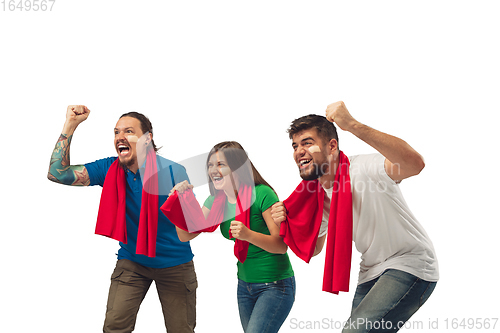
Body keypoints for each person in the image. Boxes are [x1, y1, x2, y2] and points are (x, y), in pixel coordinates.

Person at [271, 101, 439, 332]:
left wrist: (351, 124)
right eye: (295, 145)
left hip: (410, 263)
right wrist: (285, 221)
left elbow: (415, 164)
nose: (299, 151)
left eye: (307, 143)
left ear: (332, 147)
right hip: (370, 270)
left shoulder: (364, 168)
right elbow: (316, 247)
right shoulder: (315, 194)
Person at [47, 105, 197, 333]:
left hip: (174, 263)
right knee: (114, 326)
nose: (120, 137)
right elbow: (57, 173)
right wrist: (70, 125)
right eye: (116, 132)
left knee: (181, 330)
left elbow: (192, 230)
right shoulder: (110, 168)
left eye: (128, 131)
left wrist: (182, 201)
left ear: (147, 139)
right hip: (132, 261)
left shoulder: (172, 171)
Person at [168, 141, 295, 333]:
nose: (213, 170)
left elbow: (281, 246)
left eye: (221, 164)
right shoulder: (216, 201)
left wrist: (248, 235)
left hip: (275, 285)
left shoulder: (261, 193)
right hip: (245, 286)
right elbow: (185, 235)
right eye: (210, 165)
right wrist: (181, 201)